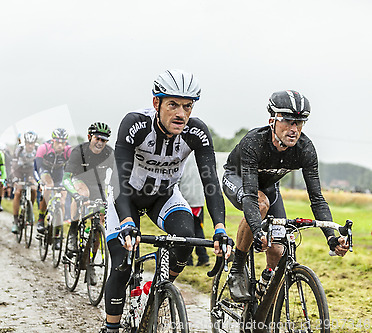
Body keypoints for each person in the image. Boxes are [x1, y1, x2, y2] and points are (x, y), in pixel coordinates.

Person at [101, 69, 233, 333]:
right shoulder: (135, 124)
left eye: (187, 106)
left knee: (184, 239)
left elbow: (211, 185)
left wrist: (220, 228)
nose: (181, 114)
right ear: (156, 103)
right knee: (121, 263)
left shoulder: (197, 132)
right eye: (172, 104)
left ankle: (159, 288)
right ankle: (111, 327)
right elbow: (119, 181)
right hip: (125, 194)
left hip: (164, 196)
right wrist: (127, 221)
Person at [223, 90, 350, 303]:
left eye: (299, 123)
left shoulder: (305, 149)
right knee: (260, 203)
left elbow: (316, 198)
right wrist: (257, 231)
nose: (294, 129)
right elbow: (251, 197)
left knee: (278, 250)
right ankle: (236, 270)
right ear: (272, 120)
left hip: (270, 188)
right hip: (238, 180)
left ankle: (262, 301)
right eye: (288, 121)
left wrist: (331, 237)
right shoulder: (254, 142)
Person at [63, 122, 115, 280]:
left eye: (104, 140)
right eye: (97, 139)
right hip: (79, 181)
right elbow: (66, 179)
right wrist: (75, 195)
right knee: (82, 193)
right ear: (89, 137)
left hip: (98, 186)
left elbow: (118, 177)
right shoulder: (79, 151)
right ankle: (73, 230)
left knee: (100, 219)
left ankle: (90, 262)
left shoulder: (109, 153)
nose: (100, 143)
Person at [34, 128, 72, 241]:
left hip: (59, 173)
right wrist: (39, 182)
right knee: (49, 186)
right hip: (45, 171)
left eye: (63, 142)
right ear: (52, 141)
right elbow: (36, 168)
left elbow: (73, 169)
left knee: (62, 201)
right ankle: (41, 219)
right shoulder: (43, 148)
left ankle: (57, 233)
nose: (60, 145)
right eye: (58, 142)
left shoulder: (69, 151)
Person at [179, 152, 210, 267]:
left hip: (184, 199)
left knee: (185, 230)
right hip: (198, 199)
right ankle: (203, 257)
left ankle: (188, 259)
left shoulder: (181, 155)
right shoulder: (201, 155)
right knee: (198, 229)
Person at [11, 131, 39, 234]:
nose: (30, 146)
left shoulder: (37, 149)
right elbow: (13, 166)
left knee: (34, 189)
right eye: (28, 143)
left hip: (30, 171)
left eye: (32, 143)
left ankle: (29, 210)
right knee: (18, 192)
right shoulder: (19, 149)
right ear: (25, 143)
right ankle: (15, 221)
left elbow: (40, 165)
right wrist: (15, 179)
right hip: (19, 170)